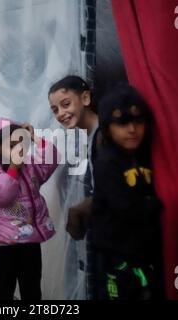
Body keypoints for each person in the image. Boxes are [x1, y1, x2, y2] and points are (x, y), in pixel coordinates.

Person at [91, 83, 163, 299]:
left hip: (145, 254)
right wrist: (157, 203)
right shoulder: (106, 162)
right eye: (122, 122)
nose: (132, 129)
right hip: (115, 257)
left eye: (138, 120)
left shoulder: (151, 155)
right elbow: (126, 208)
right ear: (107, 127)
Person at [0, 117, 60, 300]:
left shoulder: (30, 166)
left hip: (30, 241)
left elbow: (52, 159)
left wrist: (34, 138)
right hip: (5, 245)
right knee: (5, 288)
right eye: (12, 144)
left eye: (21, 143)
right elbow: (2, 196)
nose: (18, 149)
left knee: (31, 288)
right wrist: (13, 169)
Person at [48, 75, 101, 299]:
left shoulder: (103, 136)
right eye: (55, 109)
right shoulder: (83, 137)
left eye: (66, 104)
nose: (60, 113)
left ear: (86, 98)